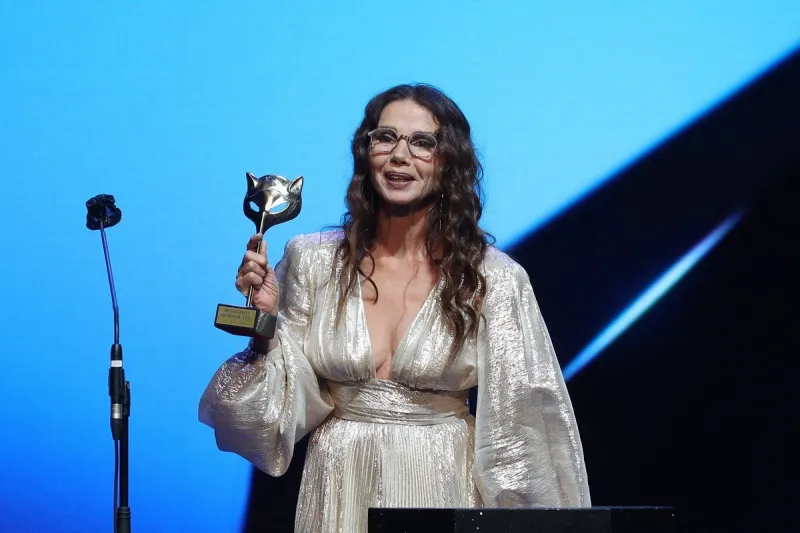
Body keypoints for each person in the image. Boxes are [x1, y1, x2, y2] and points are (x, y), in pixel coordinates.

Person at [199, 83, 591, 532]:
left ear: (449, 163)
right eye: (385, 137)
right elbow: (277, 412)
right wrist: (265, 323)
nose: (400, 155)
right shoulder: (312, 259)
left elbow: (523, 429)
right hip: (338, 482)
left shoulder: (493, 278)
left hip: (442, 487)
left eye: (422, 143)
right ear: (365, 152)